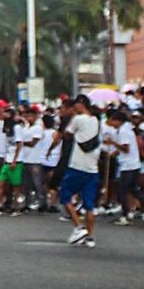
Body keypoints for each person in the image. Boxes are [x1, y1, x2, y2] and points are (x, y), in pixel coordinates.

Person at [50, 96, 102, 248]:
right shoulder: (96, 120)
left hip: (77, 166)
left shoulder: (78, 119)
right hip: (92, 168)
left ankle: (79, 227)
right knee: (89, 205)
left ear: (81, 105)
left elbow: (67, 134)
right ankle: (90, 237)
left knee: (65, 196)